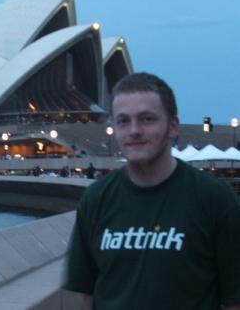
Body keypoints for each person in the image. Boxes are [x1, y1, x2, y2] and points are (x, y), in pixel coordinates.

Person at [64, 73, 240, 309]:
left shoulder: (215, 199)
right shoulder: (96, 199)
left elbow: (234, 299)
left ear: (173, 126)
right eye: (123, 121)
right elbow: (85, 292)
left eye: (147, 119)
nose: (134, 130)